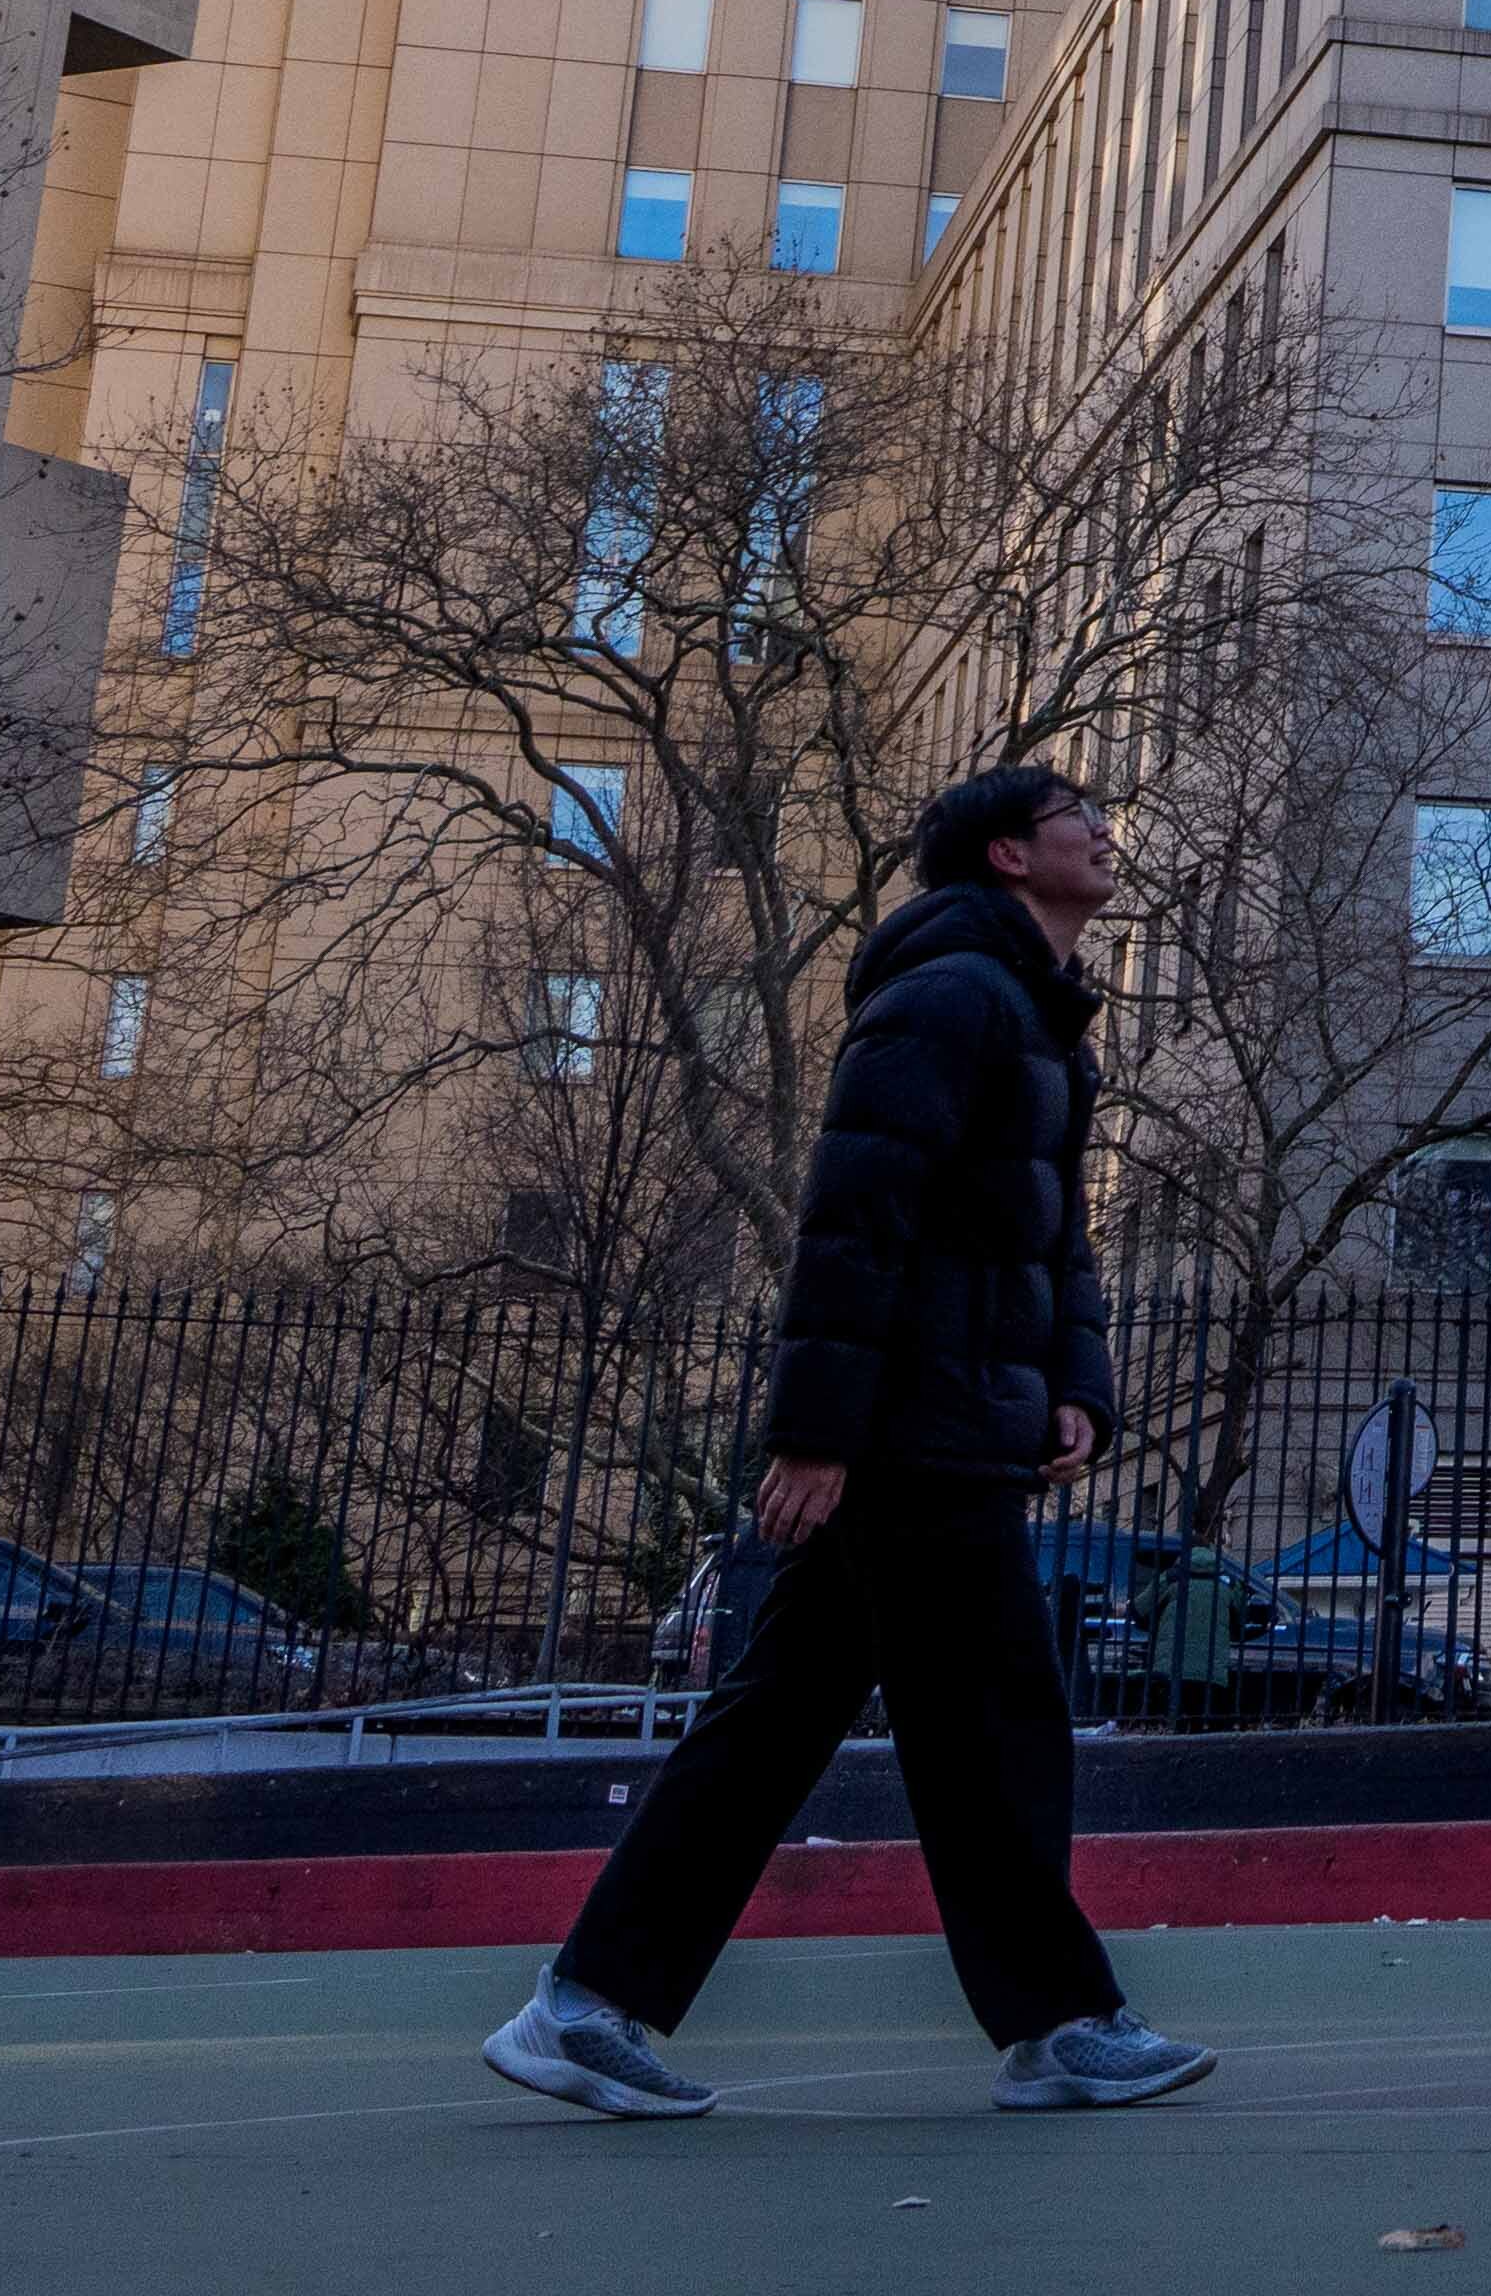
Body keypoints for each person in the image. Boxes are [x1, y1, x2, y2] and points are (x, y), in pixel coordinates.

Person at [486, 771, 1211, 2123]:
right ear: (1008, 854)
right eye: (1079, 818)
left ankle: (583, 2004)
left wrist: (1074, 1385)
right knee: (996, 1723)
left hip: (953, 1419)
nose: (1106, 833)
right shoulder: (949, 996)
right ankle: (1056, 2023)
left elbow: (1053, 1242)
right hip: (909, 1431)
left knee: (782, 1722)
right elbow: (854, 1218)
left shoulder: (1039, 1019)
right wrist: (816, 1436)